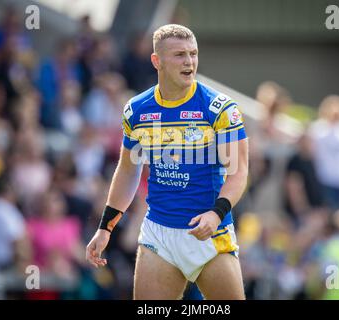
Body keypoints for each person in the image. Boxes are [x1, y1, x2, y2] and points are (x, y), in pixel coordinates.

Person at [85, 24, 249, 300]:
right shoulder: (137, 110)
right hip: (158, 235)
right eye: (179, 55)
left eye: (193, 54)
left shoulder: (219, 108)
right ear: (156, 61)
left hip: (209, 235)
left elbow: (239, 171)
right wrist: (105, 227)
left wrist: (216, 213)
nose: (189, 61)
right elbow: (128, 170)